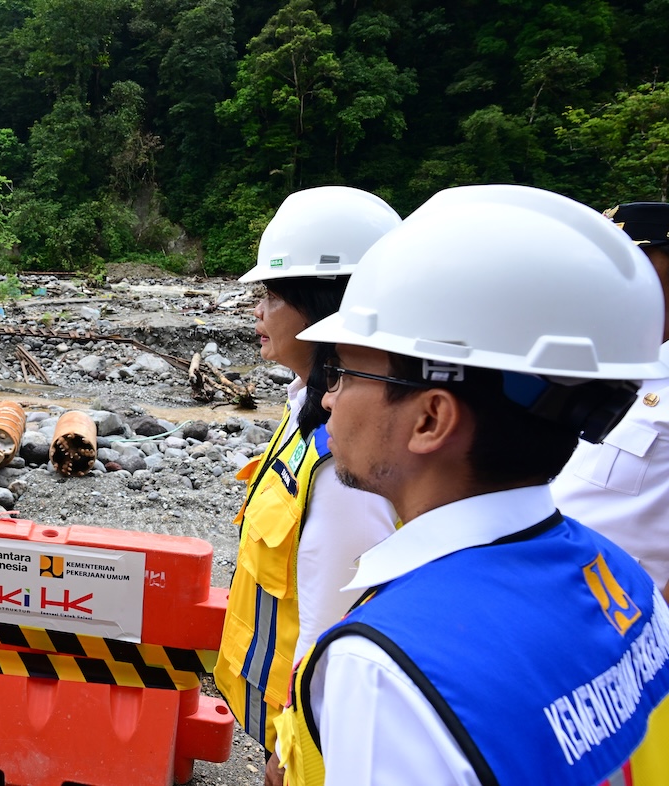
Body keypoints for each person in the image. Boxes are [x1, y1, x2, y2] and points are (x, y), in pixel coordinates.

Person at [274, 185, 669, 785]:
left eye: (346, 371)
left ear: (430, 419)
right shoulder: (627, 585)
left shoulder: (387, 666)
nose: (327, 397)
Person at [215, 186, 400, 785]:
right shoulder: (306, 406)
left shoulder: (348, 460)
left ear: (323, 307)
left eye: (271, 296)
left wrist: (298, 740)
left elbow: (340, 618)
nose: (257, 312)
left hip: (308, 734)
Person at [551, 201, 669, 783]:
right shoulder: (608, 362)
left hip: (628, 650)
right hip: (557, 625)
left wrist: (646, 645)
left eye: (635, 262)